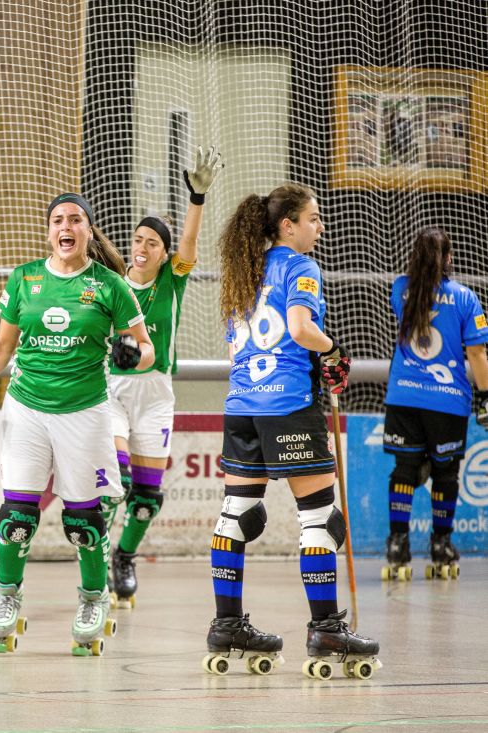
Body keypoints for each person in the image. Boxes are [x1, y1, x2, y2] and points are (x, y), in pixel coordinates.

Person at [0, 193, 154, 656]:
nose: (66, 227)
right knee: (17, 516)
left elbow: (145, 348)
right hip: (27, 408)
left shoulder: (110, 286)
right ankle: (6, 595)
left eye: (75, 220)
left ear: (88, 231)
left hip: (85, 412)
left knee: (83, 521)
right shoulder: (25, 277)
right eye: (58, 220)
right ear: (49, 232)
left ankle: (92, 600)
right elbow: (4, 344)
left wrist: (132, 355)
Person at [204, 183, 379, 678]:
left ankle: (227, 624)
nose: (319, 228)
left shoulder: (245, 268)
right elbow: (301, 329)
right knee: (320, 519)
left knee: (236, 515)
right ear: (288, 226)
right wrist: (333, 351)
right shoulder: (300, 266)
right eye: (314, 219)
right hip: (287, 404)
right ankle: (326, 629)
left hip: (240, 405)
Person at [102, 146, 223, 608]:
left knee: (148, 500)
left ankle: (124, 557)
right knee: (119, 478)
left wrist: (196, 198)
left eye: (152, 243)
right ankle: (92, 562)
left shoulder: (172, 280)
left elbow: (189, 245)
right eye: (137, 240)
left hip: (156, 396)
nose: (141, 248)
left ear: (163, 253)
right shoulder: (113, 284)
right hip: (111, 393)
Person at [381, 226, 488, 581]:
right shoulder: (465, 297)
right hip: (447, 402)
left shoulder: (401, 290)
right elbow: (476, 353)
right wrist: (485, 397)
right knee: (445, 473)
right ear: (448, 258)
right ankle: (441, 543)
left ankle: (398, 543)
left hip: (403, 397)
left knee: (404, 470)